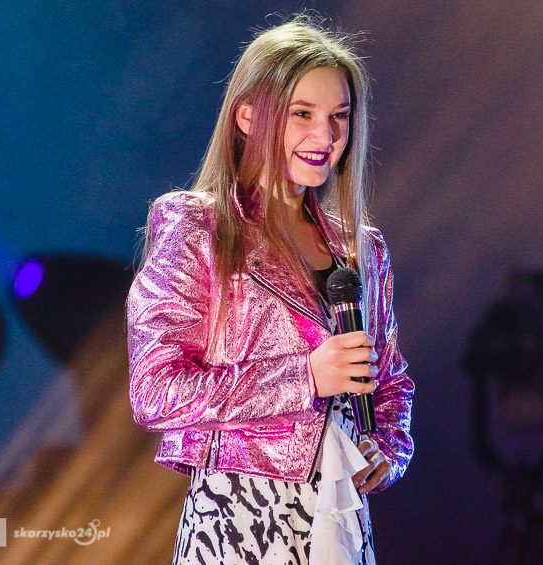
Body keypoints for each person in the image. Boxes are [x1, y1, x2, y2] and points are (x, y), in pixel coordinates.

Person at [127, 15, 413, 565]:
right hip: (239, 511)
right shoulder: (198, 227)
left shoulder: (363, 249)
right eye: (302, 114)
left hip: (340, 511)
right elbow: (155, 390)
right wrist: (305, 376)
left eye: (338, 117)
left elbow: (391, 380)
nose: (324, 138)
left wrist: (388, 449)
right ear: (248, 116)